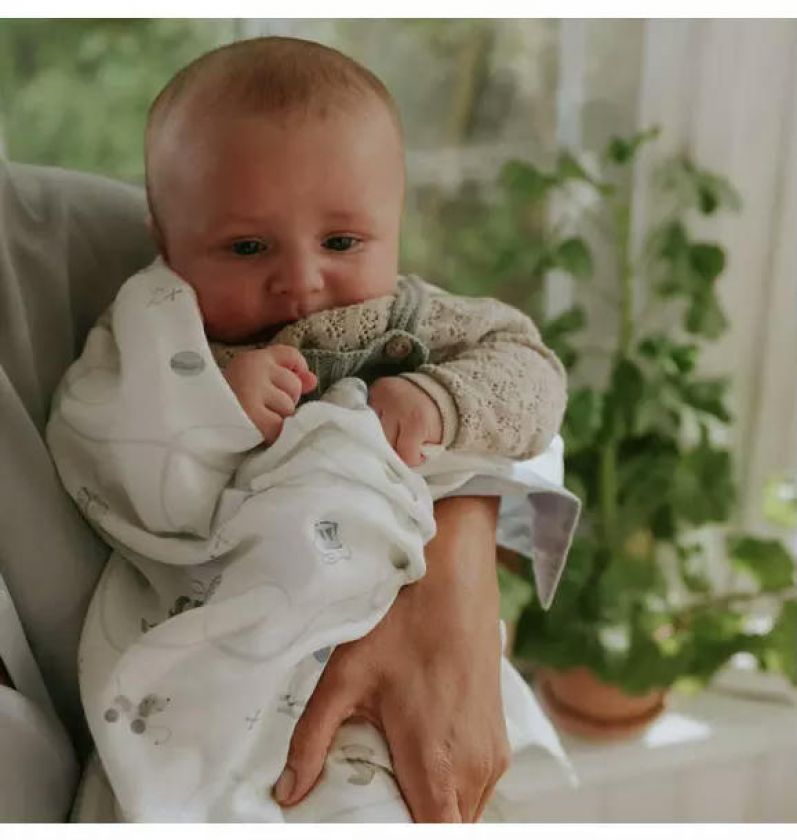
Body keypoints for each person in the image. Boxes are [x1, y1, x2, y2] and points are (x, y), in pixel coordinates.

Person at [51, 35, 570, 822]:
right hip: (237, 655)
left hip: (400, 632)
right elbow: (97, 452)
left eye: (341, 242)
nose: (300, 280)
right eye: (247, 247)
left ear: (395, 220)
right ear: (164, 237)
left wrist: (441, 398)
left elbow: (533, 377)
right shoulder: (157, 340)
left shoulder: (414, 317)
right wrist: (213, 408)